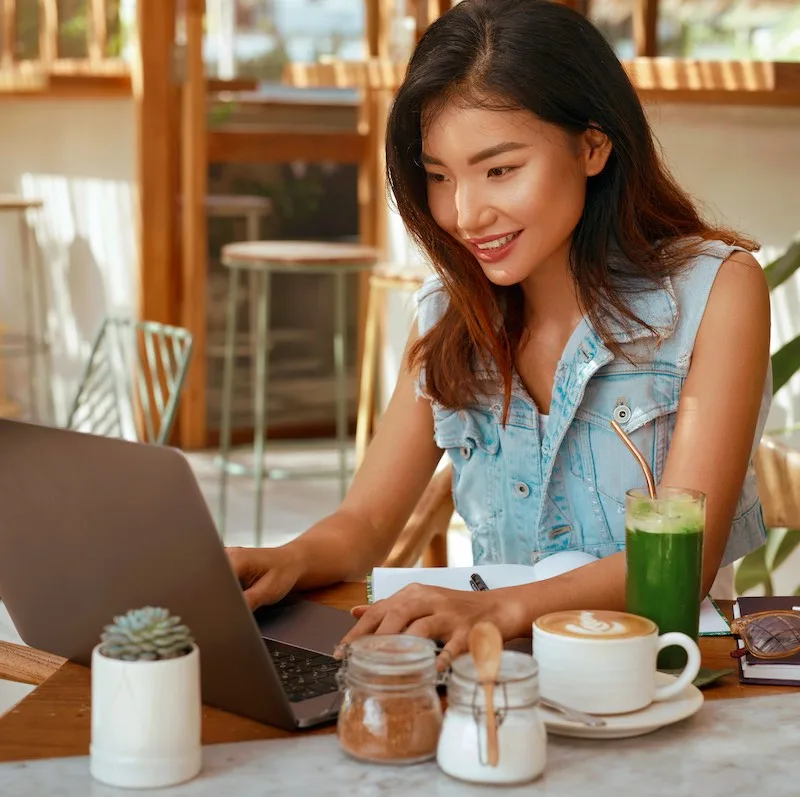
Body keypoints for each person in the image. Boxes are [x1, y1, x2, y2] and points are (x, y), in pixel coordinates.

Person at [227, 0, 771, 668]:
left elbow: (681, 562)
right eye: (438, 176)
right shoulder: (447, 313)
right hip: (497, 689)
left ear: (592, 145)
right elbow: (365, 525)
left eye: (499, 170)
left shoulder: (715, 292)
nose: (464, 213)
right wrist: (284, 559)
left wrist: (495, 608)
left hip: (656, 689)